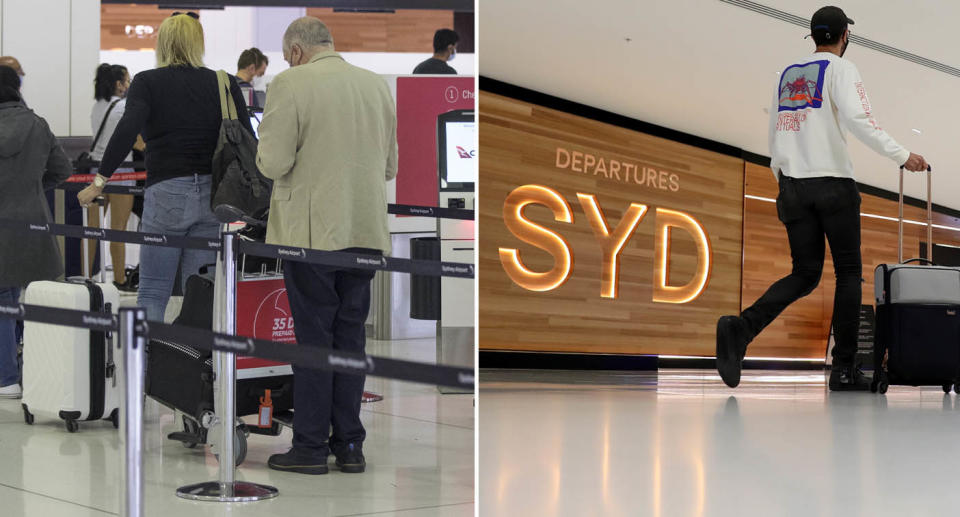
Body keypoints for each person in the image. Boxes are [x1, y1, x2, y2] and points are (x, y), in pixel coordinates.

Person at [716, 6, 930, 391]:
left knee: (805, 273)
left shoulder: (786, 75)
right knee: (848, 274)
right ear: (845, 35)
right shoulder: (843, 70)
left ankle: (741, 328)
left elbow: (774, 135)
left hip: (793, 187)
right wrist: (902, 155)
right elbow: (859, 121)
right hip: (832, 185)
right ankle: (844, 369)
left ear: (813, 36)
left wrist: (783, 178)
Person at [257, 16, 397, 475]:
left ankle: (311, 447)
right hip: (365, 230)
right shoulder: (375, 85)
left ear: (296, 51)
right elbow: (390, 166)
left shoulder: (291, 83)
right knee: (350, 339)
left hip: (312, 236)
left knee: (313, 341)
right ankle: (350, 445)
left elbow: (273, 162)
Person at [78, 12, 253, 322]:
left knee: (154, 289)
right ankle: (197, 363)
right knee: (200, 288)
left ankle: (148, 364)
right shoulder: (223, 82)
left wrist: (100, 181)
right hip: (214, 198)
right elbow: (247, 139)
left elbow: (127, 129)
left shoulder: (147, 81)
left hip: (167, 192)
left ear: (162, 43)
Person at [0, 65, 73, 398]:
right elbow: (62, 169)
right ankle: (37, 372)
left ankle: (6, 378)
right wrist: (32, 189)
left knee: (4, 298)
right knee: (23, 296)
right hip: (31, 221)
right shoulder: (37, 124)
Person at [88, 63, 144, 291]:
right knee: (117, 230)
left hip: (95, 171)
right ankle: (120, 279)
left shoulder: (97, 106)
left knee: (91, 229)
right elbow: (138, 142)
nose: (129, 85)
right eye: (127, 81)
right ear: (119, 84)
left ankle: (87, 276)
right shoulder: (122, 108)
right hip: (121, 172)